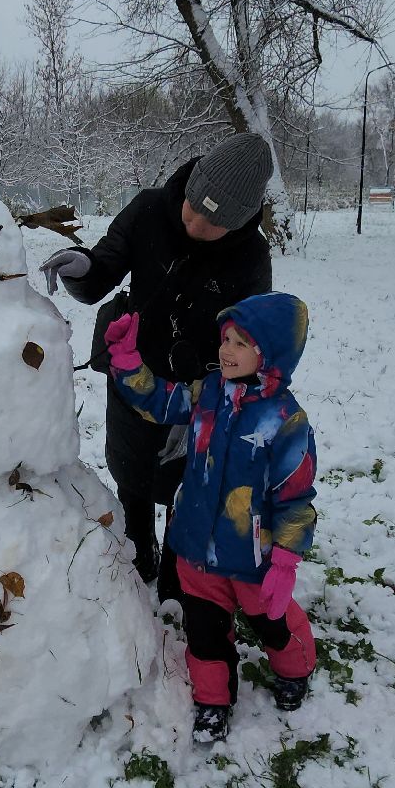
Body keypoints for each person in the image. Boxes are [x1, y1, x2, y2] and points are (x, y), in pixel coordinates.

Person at [39, 133, 274, 603]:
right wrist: (80, 269)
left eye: (213, 220)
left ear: (240, 220)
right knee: (131, 472)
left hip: (195, 394)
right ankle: (138, 552)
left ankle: (176, 576)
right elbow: (104, 266)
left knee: (187, 490)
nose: (195, 220)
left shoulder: (251, 258)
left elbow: (249, 345)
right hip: (132, 371)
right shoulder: (150, 209)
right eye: (193, 205)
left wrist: (204, 407)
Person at [102, 291, 318, 743]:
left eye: (241, 342)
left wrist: (285, 561)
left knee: (271, 625)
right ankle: (213, 703)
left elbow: (295, 498)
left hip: (253, 558)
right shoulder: (210, 392)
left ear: (271, 352)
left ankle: (296, 666)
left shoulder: (285, 421)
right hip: (197, 547)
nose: (226, 351)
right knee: (204, 633)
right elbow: (160, 402)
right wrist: (124, 358)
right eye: (225, 340)